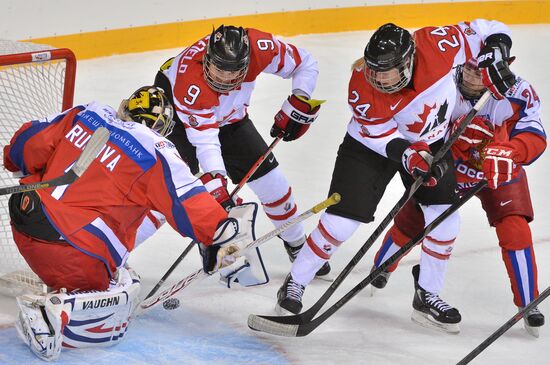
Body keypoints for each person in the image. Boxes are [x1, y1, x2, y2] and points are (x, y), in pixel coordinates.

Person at [275, 19, 518, 334]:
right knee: (341, 222)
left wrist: (497, 50)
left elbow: (488, 28)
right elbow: (377, 133)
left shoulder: (438, 44)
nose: (378, 79)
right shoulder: (362, 84)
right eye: (374, 70)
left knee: (444, 218)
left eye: (385, 73)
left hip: (430, 141)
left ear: (408, 62)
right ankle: (295, 283)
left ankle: (427, 294)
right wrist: (410, 155)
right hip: (370, 147)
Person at [3, 86, 257, 361]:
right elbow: (187, 198)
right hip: (74, 250)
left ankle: (63, 288)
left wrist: (14, 160)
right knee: (107, 311)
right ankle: (54, 313)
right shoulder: (155, 148)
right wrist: (219, 236)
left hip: (24, 216)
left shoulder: (87, 112)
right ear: (162, 127)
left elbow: (26, 144)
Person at [370, 58, 546, 336]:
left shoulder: (518, 91)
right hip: (450, 164)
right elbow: (414, 126)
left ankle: (529, 302)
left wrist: (512, 150)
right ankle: (382, 266)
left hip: (497, 166)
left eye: (481, 71)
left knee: (516, 228)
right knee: (417, 217)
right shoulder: (440, 83)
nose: (473, 77)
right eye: (469, 68)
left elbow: (535, 135)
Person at [153, 24, 330, 277]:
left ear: (247, 62)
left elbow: (306, 63)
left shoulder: (260, 48)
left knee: (274, 183)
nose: (225, 79)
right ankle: (115, 254)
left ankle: (298, 245)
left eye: (234, 71)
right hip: (179, 121)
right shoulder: (189, 81)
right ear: (207, 59)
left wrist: (300, 99)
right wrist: (217, 180)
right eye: (218, 70)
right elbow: (205, 140)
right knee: (166, 188)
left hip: (231, 119)